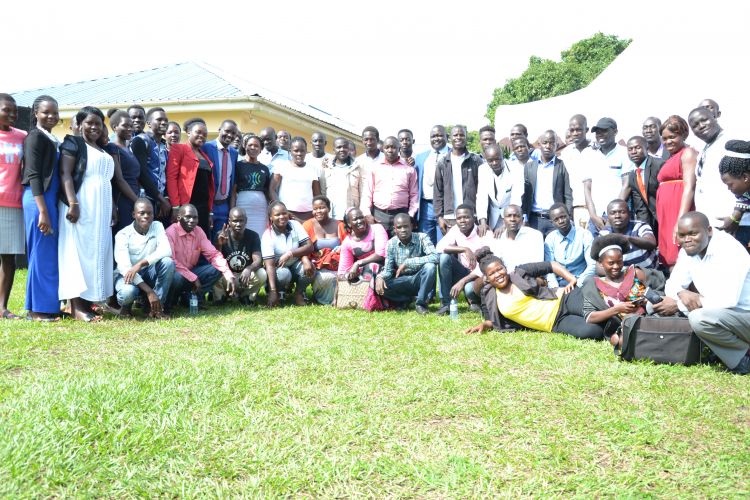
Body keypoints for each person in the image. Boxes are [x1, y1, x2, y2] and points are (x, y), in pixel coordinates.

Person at [653, 212, 750, 375]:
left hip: (744, 313)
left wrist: (678, 304)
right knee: (655, 303)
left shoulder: (729, 250)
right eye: (682, 235)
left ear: (709, 230)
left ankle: (743, 359)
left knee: (699, 319)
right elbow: (673, 284)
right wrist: (681, 292)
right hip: (725, 315)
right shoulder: (689, 250)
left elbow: (729, 300)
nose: (687, 239)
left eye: (693, 233)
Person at [465, 248, 604, 339]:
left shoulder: (519, 272)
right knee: (593, 332)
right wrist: (484, 325)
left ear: (505, 268)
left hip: (564, 299)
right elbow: (491, 319)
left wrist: (571, 279)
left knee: (600, 311)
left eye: (500, 269)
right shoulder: (489, 294)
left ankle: (622, 322)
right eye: (492, 273)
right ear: (487, 278)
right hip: (554, 322)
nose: (498, 274)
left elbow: (551, 265)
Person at [58, 106, 115, 322]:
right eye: (89, 123)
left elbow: (105, 180)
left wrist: (113, 208)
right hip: (81, 205)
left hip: (100, 211)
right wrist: (73, 202)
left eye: (98, 124)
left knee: (94, 253)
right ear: (80, 124)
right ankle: (76, 307)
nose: (93, 127)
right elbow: (66, 173)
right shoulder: (74, 143)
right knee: (77, 252)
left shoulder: (100, 148)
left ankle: (89, 301)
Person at [21, 95, 61, 321]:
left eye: (55, 113)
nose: (51, 116)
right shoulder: (34, 137)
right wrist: (43, 210)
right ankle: (36, 310)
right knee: (39, 253)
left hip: (49, 200)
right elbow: (34, 174)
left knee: (47, 254)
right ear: (36, 112)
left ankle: (49, 306)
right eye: (46, 112)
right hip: (38, 201)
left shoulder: (50, 137)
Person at [165, 204, 237, 310]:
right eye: (188, 217)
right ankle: (170, 301)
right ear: (179, 218)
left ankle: (191, 298)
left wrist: (228, 274)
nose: (192, 220)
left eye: (195, 217)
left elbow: (213, 254)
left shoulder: (198, 231)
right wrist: (193, 278)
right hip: (176, 273)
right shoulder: (170, 232)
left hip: (191, 273)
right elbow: (171, 261)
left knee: (217, 268)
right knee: (177, 277)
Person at [581, 233, 650, 341]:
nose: (616, 266)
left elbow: (657, 293)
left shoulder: (634, 273)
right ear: (600, 263)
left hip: (647, 320)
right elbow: (590, 317)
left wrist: (647, 301)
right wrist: (616, 309)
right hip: (619, 327)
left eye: (619, 261)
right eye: (611, 263)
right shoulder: (594, 285)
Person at [113, 198, 174, 319]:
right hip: (127, 276)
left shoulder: (157, 226)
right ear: (134, 214)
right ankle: (126, 307)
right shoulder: (122, 235)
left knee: (168, 262)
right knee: (127, 293)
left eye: (149, 213)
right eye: (142, 213)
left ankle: (156, 308)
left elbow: (167, 250)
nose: (146, 216)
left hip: (147, 271)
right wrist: (149, 291)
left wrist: (140, 264)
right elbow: (126, 269)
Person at [689, 106, 745, 234]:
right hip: (714, 224)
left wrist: (736, 216)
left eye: (704, 120)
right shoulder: (706, 148)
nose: (701, 126)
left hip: (736, 223)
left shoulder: (731, 142)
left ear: (714, 117)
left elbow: (747, 180)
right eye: (695, 125)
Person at [656, 115, 698, 268]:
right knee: (670, 254)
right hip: (667, 213)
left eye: (672, 137)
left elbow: (689, 187)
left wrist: (680, 221)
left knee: (679, 252)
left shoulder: (687, 153)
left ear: (683, 135)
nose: (668, 142)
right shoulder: (671, 156)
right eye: (664, 138)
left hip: (678, 211)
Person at [375, 213, 438, 314]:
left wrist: (409, 262)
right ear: (395, 229)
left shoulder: (422, 237)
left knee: (430, 267)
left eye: (406, 226)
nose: (403, 230)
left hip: (420, 278)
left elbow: (435, 257)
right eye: (399, 227)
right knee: (379, 285)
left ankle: (420, 304)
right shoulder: (391, 243)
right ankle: (405, 299)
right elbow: (388, 270)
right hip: (402, 280)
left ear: (411, 226)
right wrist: (380, 277)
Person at [0, 94, 26, 320]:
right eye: (6, 110)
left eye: (14, 111)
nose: (11, 114)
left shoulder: (22, 136)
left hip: (14, 204)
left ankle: (2, 308)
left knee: (8, 258)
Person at [261, 201, 315, 307]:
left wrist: (291, 254)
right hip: (279, 268)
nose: (282, 217)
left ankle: (299, 293)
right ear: (271, 217)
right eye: (277, 214)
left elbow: (309, 246)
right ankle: (279, 293)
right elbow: (269, 265)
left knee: (310, 268)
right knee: (283, 274)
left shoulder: (295, 225)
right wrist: (272, 291)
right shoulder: (267, 236)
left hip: (295, 262)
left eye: (284, 213)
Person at [166, 118, 215, 236]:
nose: (201, 136)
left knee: (201, 241)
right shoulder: (179, 149)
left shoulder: (205, 156)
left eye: (204, 134)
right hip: (186, 205)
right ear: (188, 133)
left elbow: (208, 186)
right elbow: (171, 178)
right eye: (198, 132)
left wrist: (210, 212)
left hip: (203, 208)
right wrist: (176, 206)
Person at [583, 117, 631, 237]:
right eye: (597, 131)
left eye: (604, 130)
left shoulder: (625, 153)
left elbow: (627, 185)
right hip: (596, 216)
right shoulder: (590, 154)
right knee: (594, 254)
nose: (600, 134)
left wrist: (614, 214)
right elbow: (587, 188)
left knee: (620, 252)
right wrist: (593, 215)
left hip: (618, 216)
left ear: (615, 132)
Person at [521, 130, 573, 237]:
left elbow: (568, 195)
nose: (548, 146)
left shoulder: (562, 166)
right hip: (534, 220)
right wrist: (524, 218)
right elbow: (525, 196)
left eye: (552, 143)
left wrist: (568, 217)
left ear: (556, 145)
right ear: (539, 145)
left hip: (556, 220)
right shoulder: (529, 167)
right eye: (545, 143)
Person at [360, 136, 418, 231]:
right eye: (387, 147)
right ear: (383, 149)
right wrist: (367, 214)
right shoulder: (374, 168)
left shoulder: (409, 169)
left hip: (401, 215)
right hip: (379, 215)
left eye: (393, 147)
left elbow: (414, 195)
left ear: (399, 148)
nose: (390, 150)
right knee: (380, 245)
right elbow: (367, 193)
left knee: (400, 245)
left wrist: (410, 215)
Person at [434, 125, 483, 235]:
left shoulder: (476, 160)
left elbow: (483, 191)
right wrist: (439, 217)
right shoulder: (442, 163)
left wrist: (481, 217)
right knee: (450, 250)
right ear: (450, 138)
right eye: (455, 135)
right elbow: (438, 192)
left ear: (466, 137)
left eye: (462, 135)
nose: (459, 137)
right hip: (450, 217)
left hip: (472, 216)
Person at [436, 205, 484, 314]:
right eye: (459, 218)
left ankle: (474, 302)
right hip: (464, 271)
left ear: (474, 218)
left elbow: (487, 266)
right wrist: (464, 249)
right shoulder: (455, 230)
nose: (462, 221)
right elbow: (439, 247)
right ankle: (446, 303)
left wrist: (463, 281)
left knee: (468, 289)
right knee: (444, 257)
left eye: (466, 217)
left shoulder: (483, 232)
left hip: (478, 276)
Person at [213, 207, 266, 306]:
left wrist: (249, 269)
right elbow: (215, 260)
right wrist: (220, 244)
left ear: (246, 220)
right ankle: (221, 297)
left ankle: (247, 297)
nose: (238, 224)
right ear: (229, 221)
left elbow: (258, 260)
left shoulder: (253, 236)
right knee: (213, 270)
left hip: (244, 277)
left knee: (262, 273)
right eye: (235, 221)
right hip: (227, 277)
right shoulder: (221, 235)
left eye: (241, 221)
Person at [302, 196, 346, 305]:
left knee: (339, 276)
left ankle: (340, 298)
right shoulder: (307, 225)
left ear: (329, 209)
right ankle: (324, 298)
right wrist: (305, 260)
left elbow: (348, 246)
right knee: (326, 277)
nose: (318, 211)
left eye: (322, 208)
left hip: (337, 264)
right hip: (318, 265)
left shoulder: (339, 225)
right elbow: (302, 247)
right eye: (315, 209)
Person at [130, 107, 171, 220]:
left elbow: (165, 174)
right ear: (148, 123)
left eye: (166, 120)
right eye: (159, 120)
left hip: (162, 202)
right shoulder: (141, 141)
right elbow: (142, 174)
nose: (163, 123)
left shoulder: (163, 146)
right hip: (146, 200)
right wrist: (161, 199)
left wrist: (166, 198)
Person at [619, 136, 664, 236]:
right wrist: (646, 232)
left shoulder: (659, 165)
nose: (633, 152)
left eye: (637, 148)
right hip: (653, 222)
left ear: (646, 148)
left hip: (667, 216)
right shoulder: (632, 175)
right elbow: (641, 208)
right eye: (630, 149)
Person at [559, 114, 597, 229]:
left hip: (597, 207)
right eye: (572, 130)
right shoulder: (565, 154)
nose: (575, 133)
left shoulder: (597, 149)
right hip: (576, 208)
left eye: (578, 130)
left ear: (586, 130)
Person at [202, 119, 239, 237]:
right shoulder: (206, 147)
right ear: (219, 130)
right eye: (227, 131)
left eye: (233, 133)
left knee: (220, 241)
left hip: (224, 205)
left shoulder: (234, 153)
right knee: (205, 239)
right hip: (209, 204)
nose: (230, 135)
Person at [414, 125, 450, 244]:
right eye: (433, 136)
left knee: (444, 243)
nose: (436, 138)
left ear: (447, 137)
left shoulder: (454, 154)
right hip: (426, 206)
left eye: (440, 135)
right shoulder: (420, 157)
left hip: (447, 207)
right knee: (426, 243)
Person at [544, 203, 595, 287]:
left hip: (581, 281)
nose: (561, 221)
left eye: (563, 217)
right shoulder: (550, 239)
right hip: (559, 283)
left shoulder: (585, 235)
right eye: (556, 219)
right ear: (552, 222)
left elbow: (592, 265)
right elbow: (549, 268)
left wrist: (577, 283)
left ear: (569, 216)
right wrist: (555, 289)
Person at [482, 204, 544, 273]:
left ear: (522, 219)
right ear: (503, 220)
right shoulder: (498, 239)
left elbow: (538, 264)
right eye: (509, 216)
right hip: (505, 279)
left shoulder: (535, 235)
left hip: (529, 278)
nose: (512, 219)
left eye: (516, 216)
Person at [476, 144, 523, 235]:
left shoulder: (516, 168)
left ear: (503, 157)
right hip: (493, 217)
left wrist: (505, 225)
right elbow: (481, 197)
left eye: (497, 159)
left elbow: (516, 198)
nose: (494, 163)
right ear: (486, 160)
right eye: (490, 160)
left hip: (511, 217)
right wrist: (483, 222)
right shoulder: (482, 169)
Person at [271, 136, 321, 222]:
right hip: (287, 215)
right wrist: (282, 210)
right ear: (290, 151)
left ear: (306, 151)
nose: (299, 153)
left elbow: (317, 194)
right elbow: (271, 189)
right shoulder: (282, 166)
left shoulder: (313, 169)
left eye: (302, 151)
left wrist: (316, 212)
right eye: (296, 150)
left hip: (308, 216)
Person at [598, 199, 658, 269]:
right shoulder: (604, 235)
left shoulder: (639, 226)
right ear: (608, 217)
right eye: (613, 213)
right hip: (620, 276)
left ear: (629, 214)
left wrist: (626, 238)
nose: (617, 216)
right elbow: (598, 267)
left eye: (622, 212)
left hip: (647, 273)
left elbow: (652, 243)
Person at [108, 111, 140, 233]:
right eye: (125, 125)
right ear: (115, 127)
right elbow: (119, 179)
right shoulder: (112, 148)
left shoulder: (128, 148)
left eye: (131, 126)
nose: (130, 128)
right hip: (123, 200)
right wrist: (137, 201)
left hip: (133, 197)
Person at [232, 135, 271, 238]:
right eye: (250, 145)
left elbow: (267, 192)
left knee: (260, 236)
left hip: (260, 210)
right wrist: (232, 211)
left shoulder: (265, 169)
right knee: (243, 235)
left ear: (261, 149)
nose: (253, 148)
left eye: (256, 146)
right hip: (243, 206)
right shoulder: (238, 166)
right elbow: (233, 191)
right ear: (245, 146)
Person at [338, 208, 388, 281]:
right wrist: (350, 276)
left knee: (372, 266)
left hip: (385, 269)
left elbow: (381, 255)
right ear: (349, 224)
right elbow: (342, 273)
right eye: (355, 219)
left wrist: (358, 263)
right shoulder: (347, 243)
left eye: (361, 217)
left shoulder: (377, 229)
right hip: (364, 275)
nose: (360, 221)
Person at [320, 137, 361, 221]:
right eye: (338, 147)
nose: (342, 149)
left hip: (351, 217)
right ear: (334, 150)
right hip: (331, 217)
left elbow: (362, 192)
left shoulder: (358, 168)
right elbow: (322, 192)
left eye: (345, 147)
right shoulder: (326, 168)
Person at [719, 139, 750, 247]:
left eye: (730, 184)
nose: (728, 189)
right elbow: (744, 200)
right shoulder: (745, 192)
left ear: (745, 177)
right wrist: (734, 219)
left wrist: (734, 218)